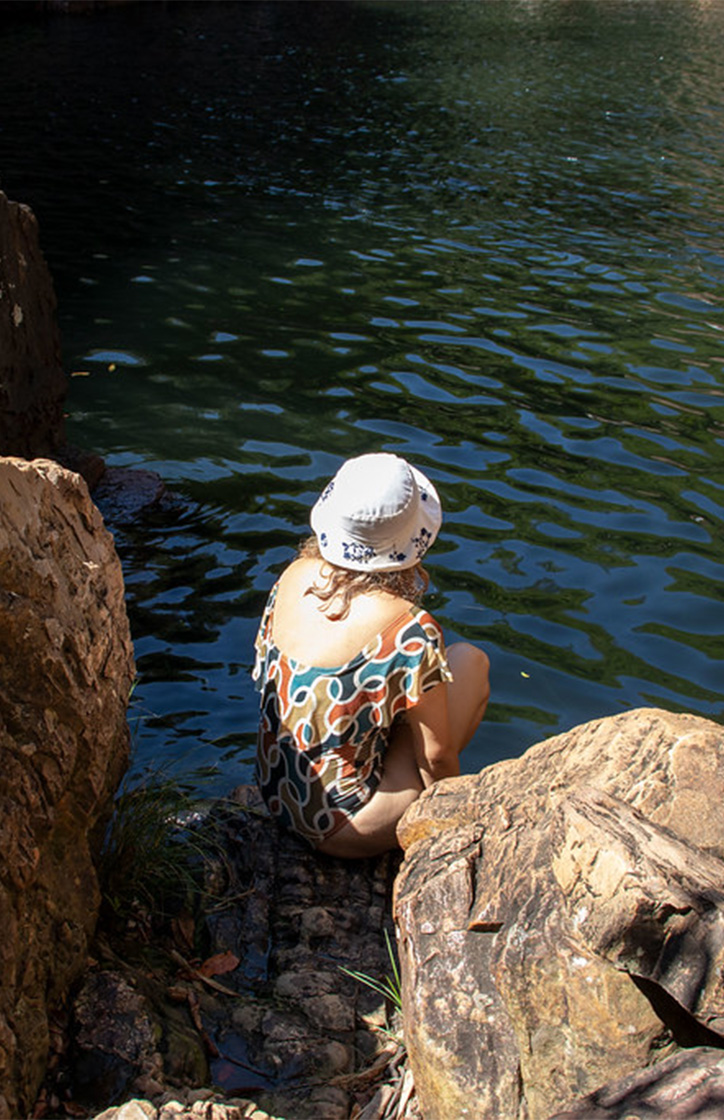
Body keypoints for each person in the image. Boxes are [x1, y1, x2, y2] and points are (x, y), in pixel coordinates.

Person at [252, 452, 490, 858]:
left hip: (273, 791)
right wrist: (453, 825)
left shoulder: (293, 575)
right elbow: (436, 756)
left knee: (406, 693)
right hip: (343, 828)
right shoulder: (410, 629)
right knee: (470, 662)